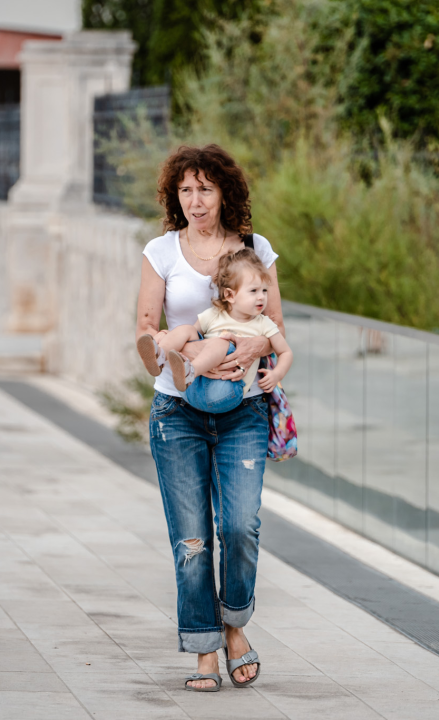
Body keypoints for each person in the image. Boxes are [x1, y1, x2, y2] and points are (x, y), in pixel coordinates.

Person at [135, 144, 284, 691]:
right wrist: (185, 354)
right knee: (192, 541)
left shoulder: (255, 248)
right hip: (177, 412)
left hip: (243, 410)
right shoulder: (161, 251)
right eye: (185, 190)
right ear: (174, 197)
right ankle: (205, 649)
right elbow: (145, 327)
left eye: (205, 189)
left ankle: (234, 623)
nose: (195, 201)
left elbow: (276, 328)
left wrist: (251, 351)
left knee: (240, 527)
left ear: (225, 193)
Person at [138, 248, 293, 407]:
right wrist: (168, 334)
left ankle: (190, 371)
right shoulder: (214, 315)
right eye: (254, 291)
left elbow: (285, 352)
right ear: (230, 295)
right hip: (191, 389)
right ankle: (159, 355)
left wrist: (276, 374)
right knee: (186, 329)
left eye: (264, 290)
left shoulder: (264, 323)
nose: (261, 296)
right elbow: (190, 338)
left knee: (222, 342)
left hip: (227, 390)